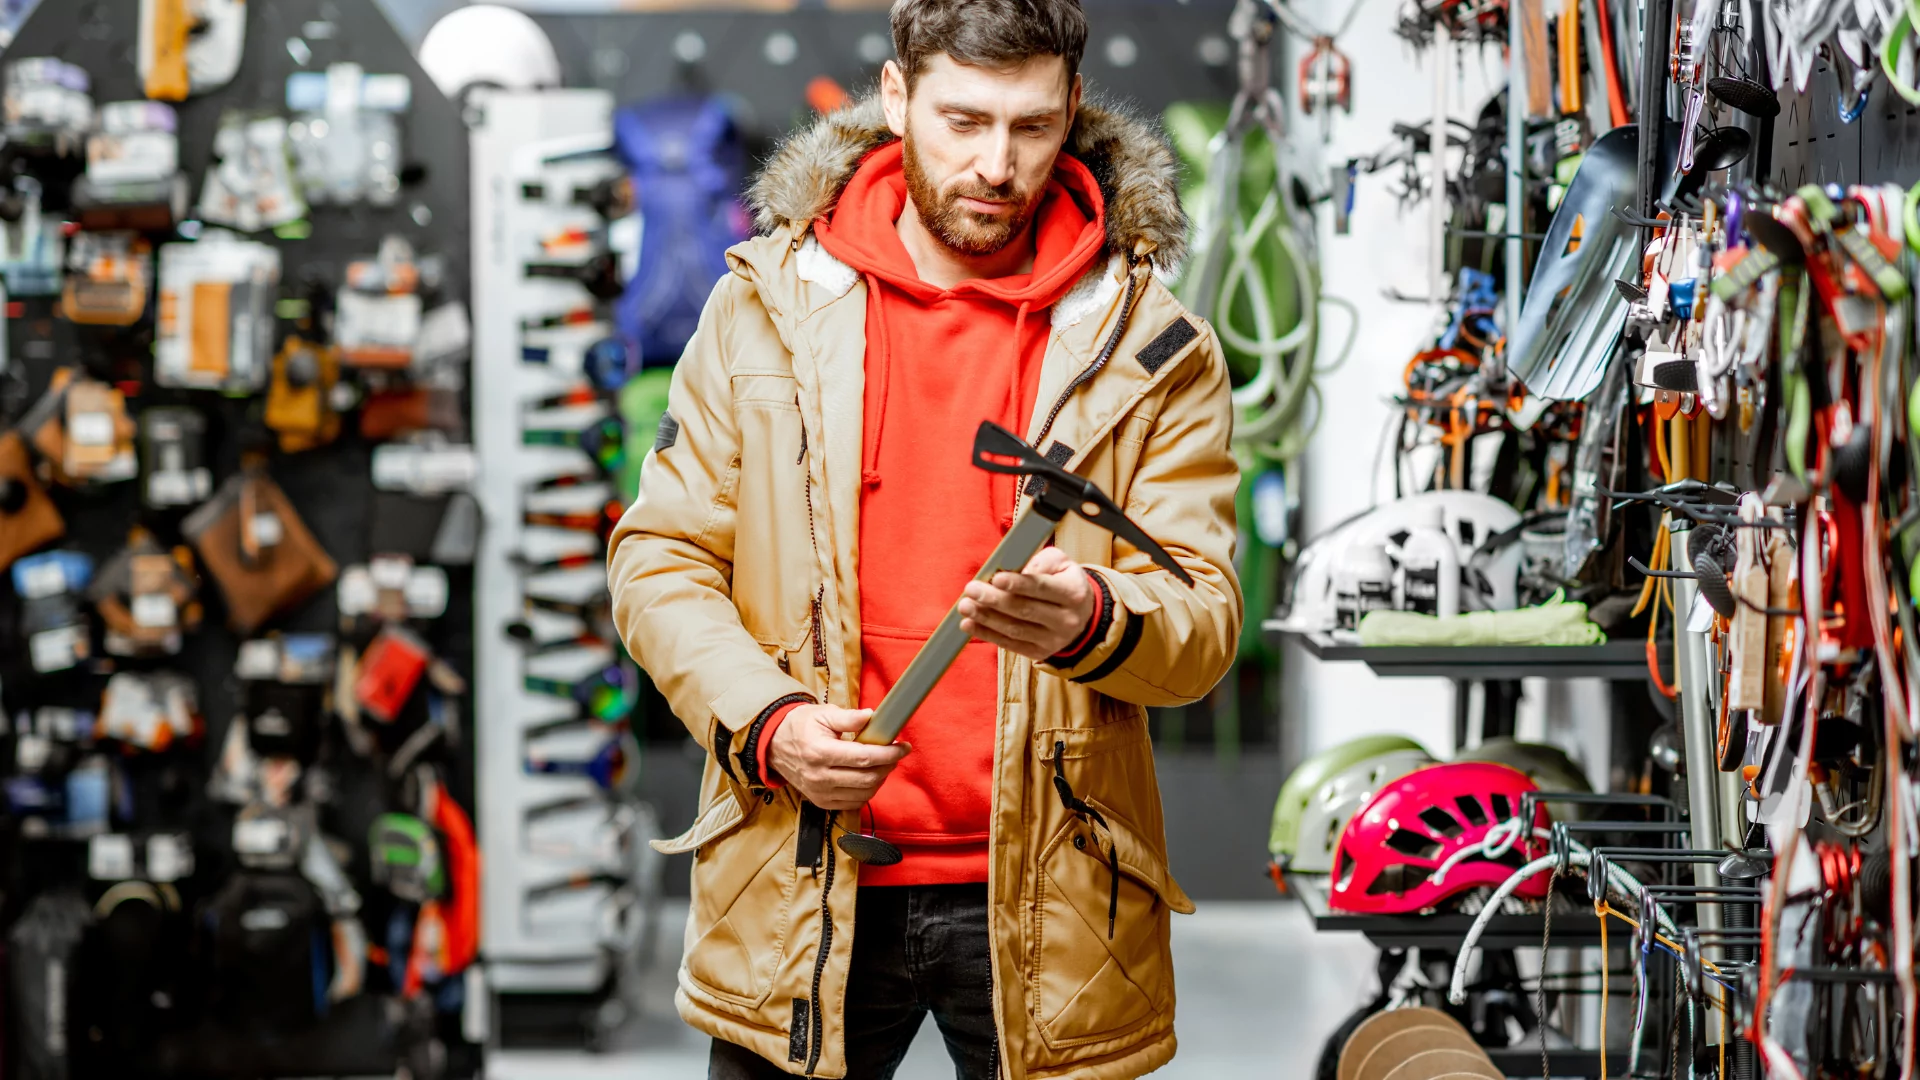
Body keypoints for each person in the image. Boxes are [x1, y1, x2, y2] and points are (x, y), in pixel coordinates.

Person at [608, 1, 1242, 1076]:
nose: (997, 164)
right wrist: (770, 724)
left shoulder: (1150, 345)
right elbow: (659, 560)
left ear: (1074, 109)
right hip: (801, 872)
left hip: (1053, 886)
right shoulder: (762, 306)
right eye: (963, 121)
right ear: (895, 96)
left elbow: (1203, 622)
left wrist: (1094, 620)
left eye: (1032, 127)